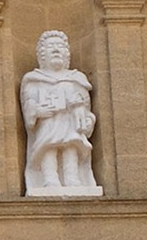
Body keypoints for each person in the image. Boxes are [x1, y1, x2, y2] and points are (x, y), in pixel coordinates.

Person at [20, 29, 101, 197]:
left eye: (60, 46)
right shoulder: (33, 79)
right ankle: (50, 179)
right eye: (51, 46)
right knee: (47, 148)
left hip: (69, 122)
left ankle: (72, 179)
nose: (56, 50)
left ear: (67, 54)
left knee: (71, 147)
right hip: (48, 123)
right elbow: (29, 103)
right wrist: (37, 112)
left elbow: (85, 104)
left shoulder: (76, 78)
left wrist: (83, 113)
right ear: (42, 54)